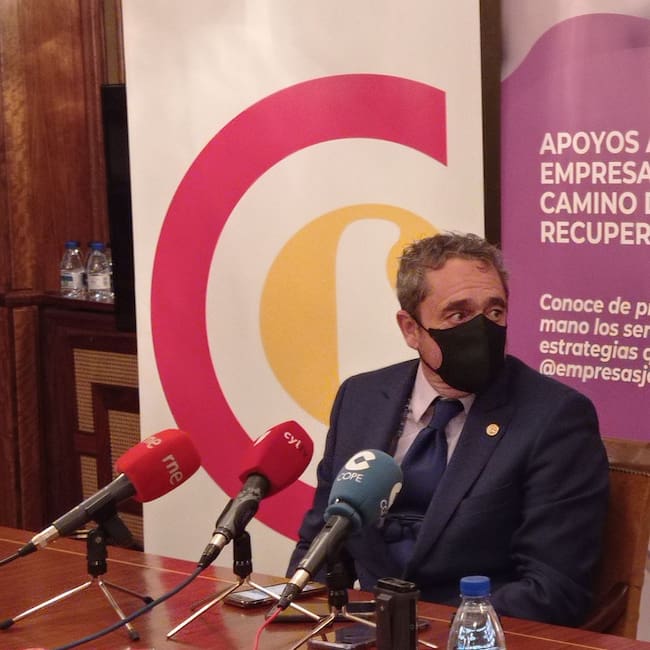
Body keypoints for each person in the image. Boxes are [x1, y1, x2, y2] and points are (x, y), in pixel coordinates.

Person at [286, 231, 609, 626]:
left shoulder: (554, 417)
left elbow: (553, 589)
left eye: (495, 312)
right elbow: (321, 544)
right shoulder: (361, 398)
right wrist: (299, 622)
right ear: (410, 329)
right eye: (458, 315)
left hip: (475, 634)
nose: (482, 330)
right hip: (363, 630)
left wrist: (431, 631)